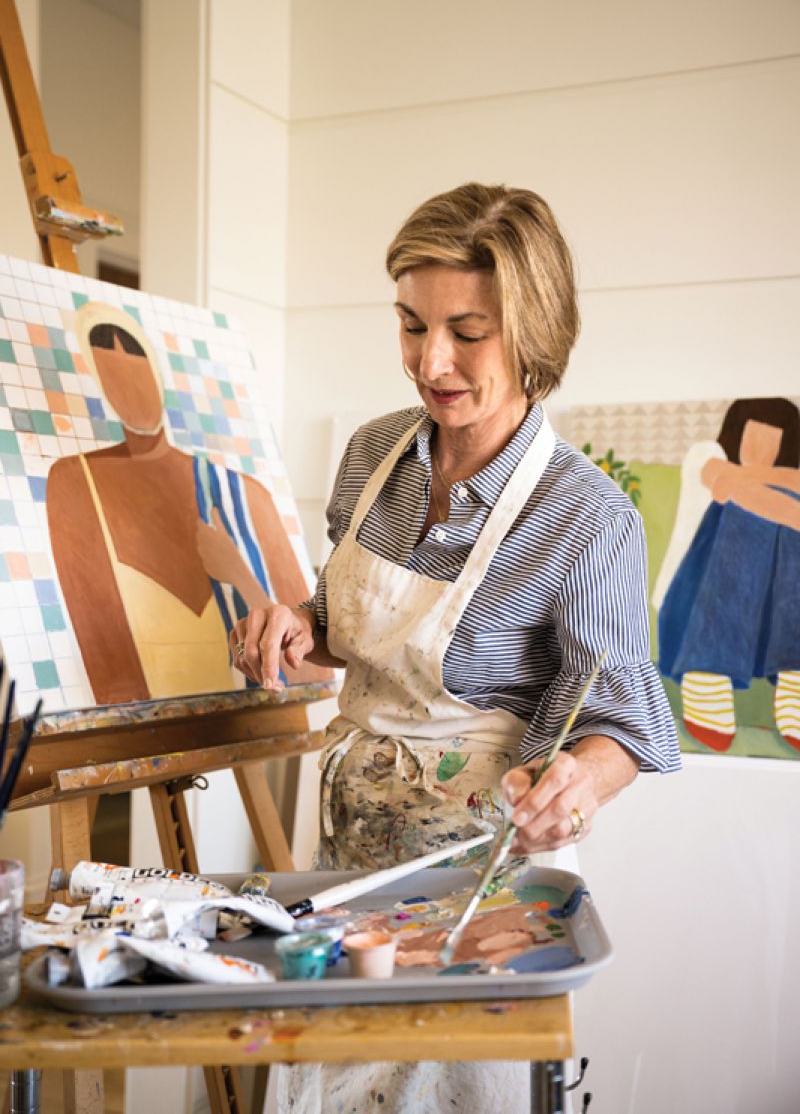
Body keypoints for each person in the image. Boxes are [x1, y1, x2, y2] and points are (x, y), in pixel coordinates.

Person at [232, 182, 680, 1114]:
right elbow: (345, 626)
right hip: (344, 864)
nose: (429, 361)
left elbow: (621, 720)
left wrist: (577, 785)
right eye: (411, 324)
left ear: (534, 333)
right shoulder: (374, 455)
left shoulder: (586, 517)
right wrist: (299, 624)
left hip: (480, 889)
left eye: (467, 332)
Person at [47, 301, 326, 705]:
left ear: (159, 378)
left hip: (251, 716)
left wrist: (239, 573)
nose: (131, 390)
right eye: (113, 375)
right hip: (137, 728)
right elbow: (105, 671)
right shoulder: (76, 481)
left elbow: (311, 668)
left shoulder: (242, 492)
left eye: (139, 371)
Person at [654, 396, 800, 753]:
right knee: (744, 509)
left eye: (772, 443)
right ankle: (707, 674)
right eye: (754, 439)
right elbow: (727, 485)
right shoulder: (706, 452)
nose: (762, 453)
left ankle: (794, 676)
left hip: (766, 617)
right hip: (695, 607)